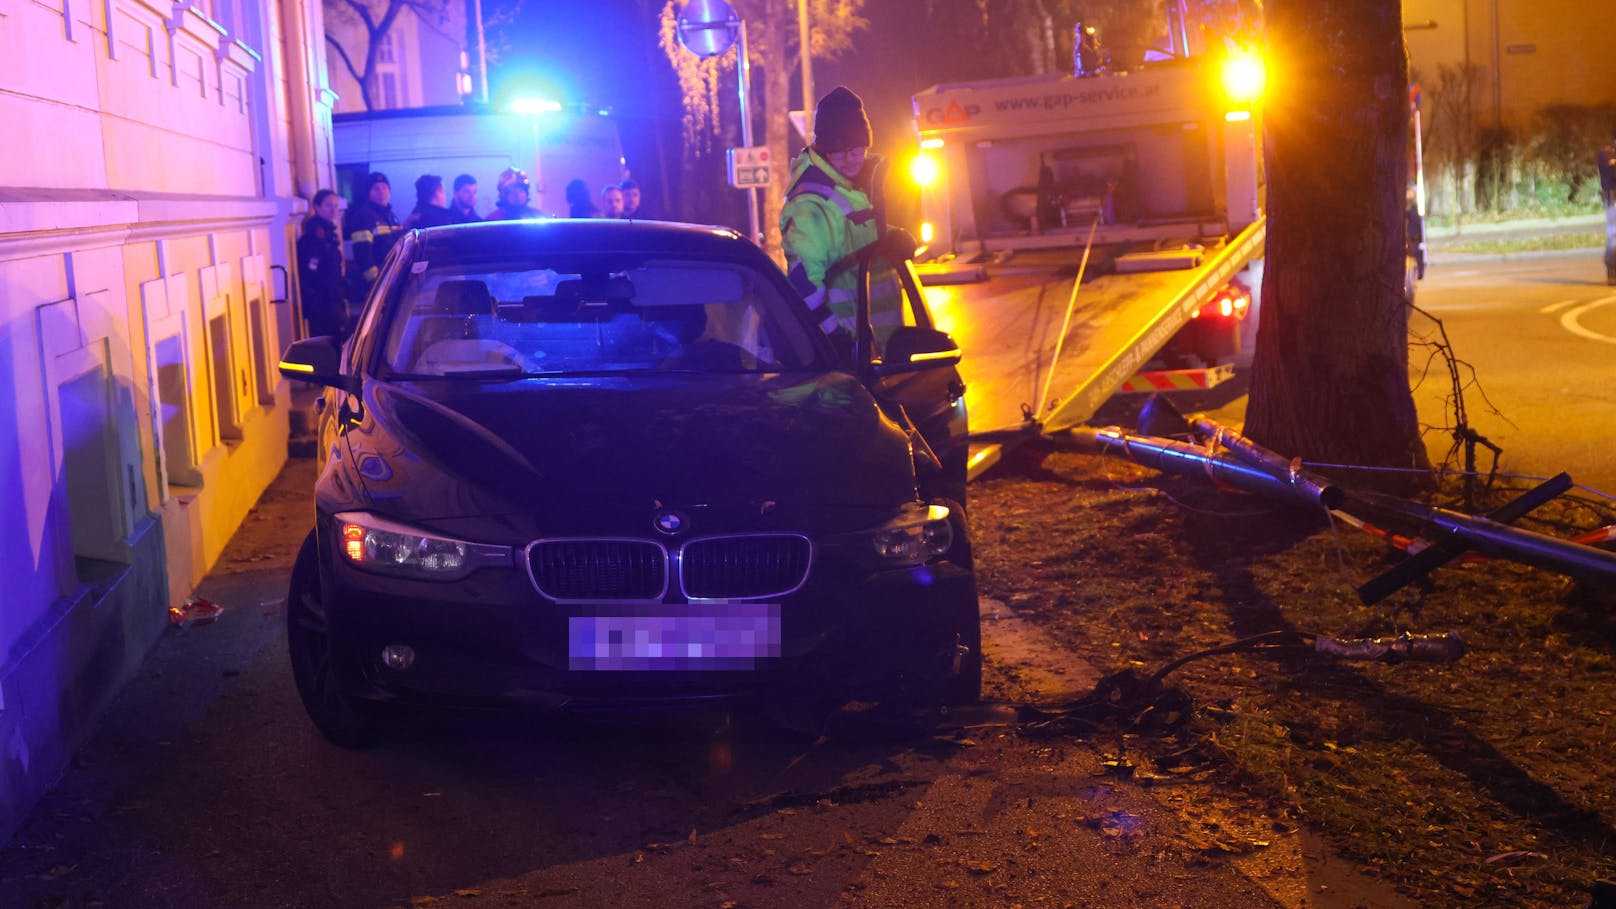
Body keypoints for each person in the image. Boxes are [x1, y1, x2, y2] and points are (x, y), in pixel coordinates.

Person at [779, 86, 907, 355]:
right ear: (824, 149)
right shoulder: (810, 206)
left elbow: (851, 240)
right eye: (838, 151)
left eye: (856, 150)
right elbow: (803, 284)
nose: (849, 160)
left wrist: (893, 236)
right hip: (849, 356)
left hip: (877, 352)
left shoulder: (849, 190)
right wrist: (835, 338)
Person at [297, 189, 348, 339]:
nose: (333, 210)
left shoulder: (329, 234)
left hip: (333, 299)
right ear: (317, 207)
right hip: (323, 304)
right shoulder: (314, 237)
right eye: (328, 205)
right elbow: (310, 274)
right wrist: (318, 304)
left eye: (335, 206)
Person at [343, 171, 400, 303]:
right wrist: (376, 284)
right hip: (379, 285)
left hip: (391, 280)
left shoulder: (391, 216)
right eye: (376, 189)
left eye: (384, 188)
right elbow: (363, 254)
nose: (381, 192)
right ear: (368, 193)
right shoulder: (363, 217)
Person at [1598, 127, 1616, 286]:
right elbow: (1609, 172)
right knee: (1614, 236)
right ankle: (1612, 271)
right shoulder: (1606, 153)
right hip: (1613, 199)